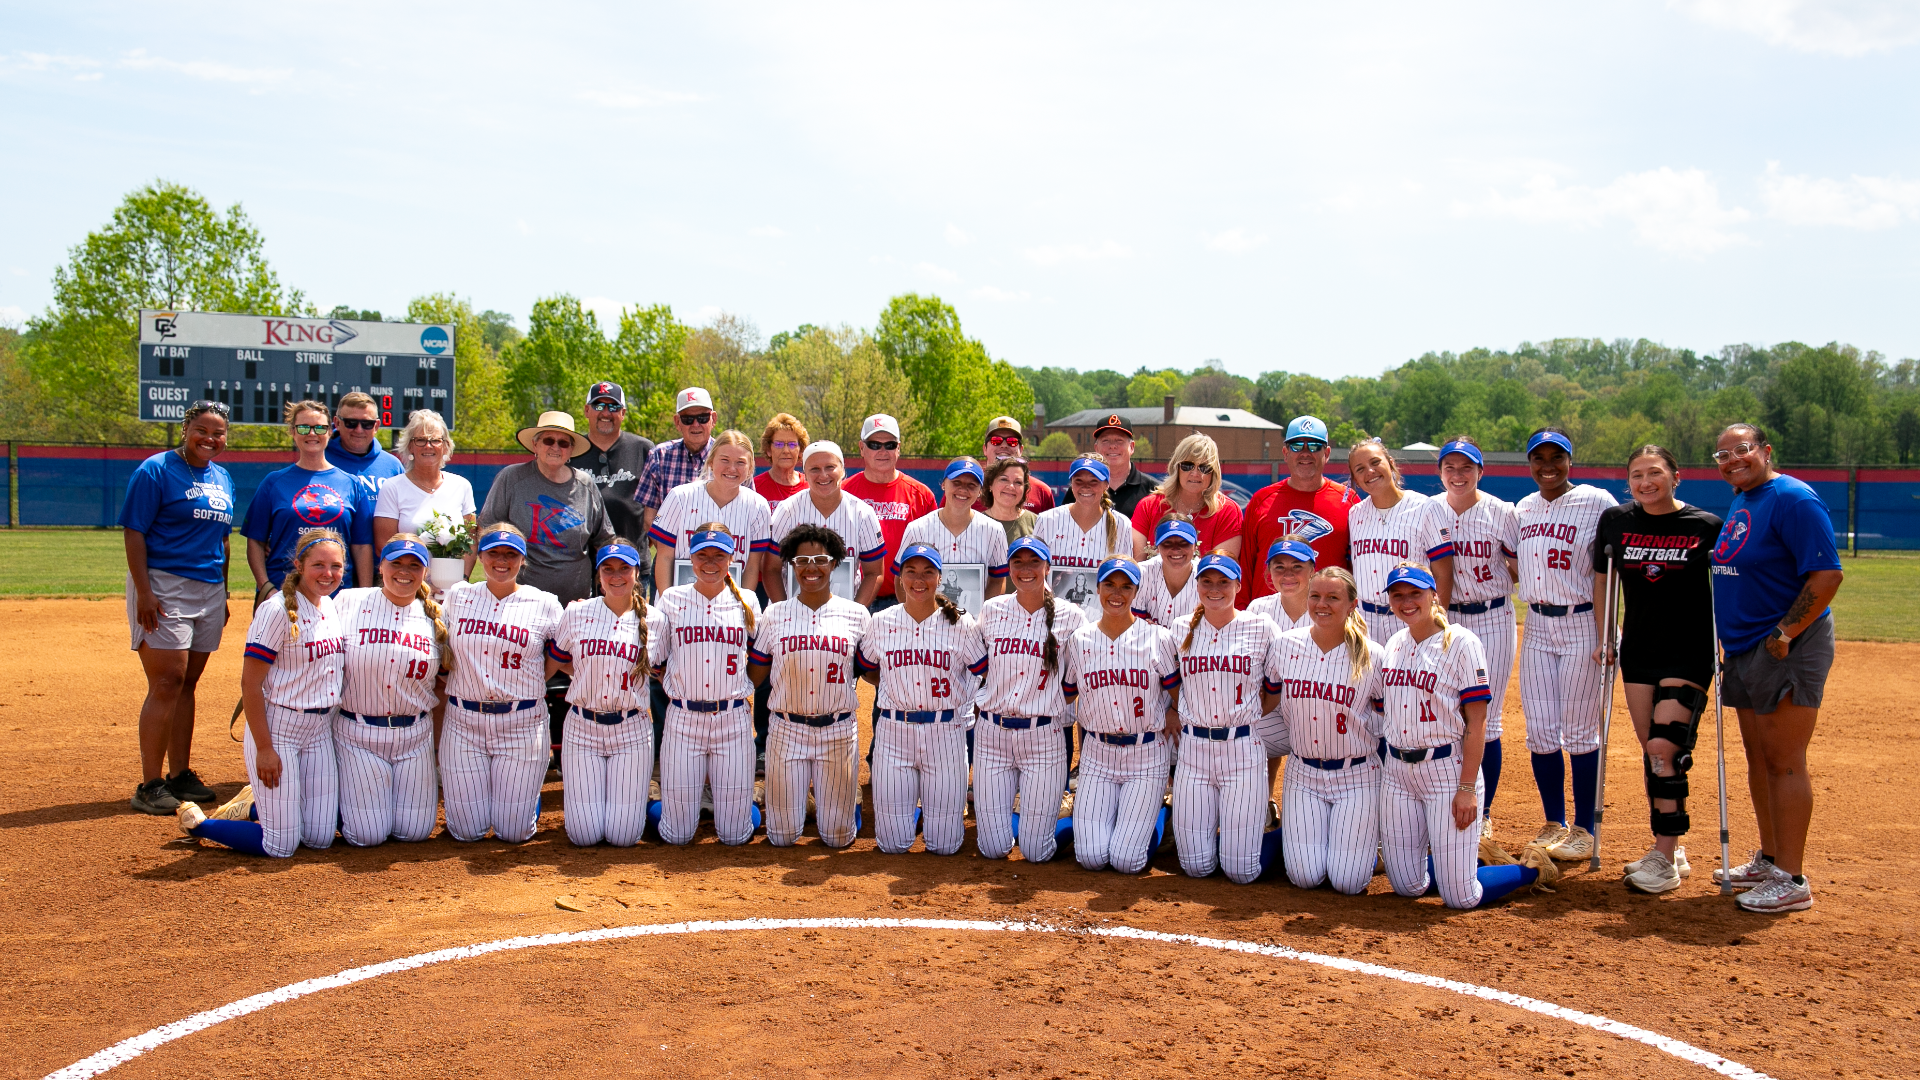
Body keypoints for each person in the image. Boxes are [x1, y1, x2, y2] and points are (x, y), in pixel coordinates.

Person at [1708, 423, 1843, 914]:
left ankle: (1792, 878)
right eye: (1723, 455)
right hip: (1746, 647)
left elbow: (1826, 575)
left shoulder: (1793, 499)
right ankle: (1770, 859)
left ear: (1766, 451)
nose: (1732, 460)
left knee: (1784, 761)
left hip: (1785, 646)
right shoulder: (1746, 499)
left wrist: (1785, 634)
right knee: (1759, 758)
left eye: (1742, 450)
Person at [1376, 564, 1558, 908]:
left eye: (1415, 593)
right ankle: (1463, 862)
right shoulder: (1395, 644)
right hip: (1398, 775)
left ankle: (1531, 869)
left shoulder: (1461, 642)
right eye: (1398, 595)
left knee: (1461, 897)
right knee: (1407, 886)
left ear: (1434, 595)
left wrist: (1466, 789)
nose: (1406, 601)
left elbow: (1477, 723)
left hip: (1446, 771)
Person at [1596, 445, 1722, 894]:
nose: (1645, 482)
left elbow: (1727, 587)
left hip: (1687, 652)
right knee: (1652, 751)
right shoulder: (1616, 521)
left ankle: (1664, 858)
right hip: (1639, 652)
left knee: (1663, 747)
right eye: (1637, 475)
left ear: (1675, 477)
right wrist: (1605, 636)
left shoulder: (1705, 526)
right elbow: (1603, 580)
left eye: (1655, 473)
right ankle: (1671, 844)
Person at [176, 529, 347, 857]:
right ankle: (199, 824)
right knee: (281, 845)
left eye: (336, 566)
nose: (328, 573)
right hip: (279, 730)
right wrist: (265, 749)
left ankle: (254, 807)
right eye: (319, 565)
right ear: (299, 565)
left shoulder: (329, 606)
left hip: (318, 733)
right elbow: (251, 684)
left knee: (319, 838)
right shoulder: (276, 610)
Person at [122, 399, 234, 815]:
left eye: (218, 433)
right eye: (201, 429)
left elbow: (223, 540)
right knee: (167, 680)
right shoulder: (155, 470)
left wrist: (224, 592)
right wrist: (144, 591)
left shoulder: (222, 476)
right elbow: (134, 532)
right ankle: (149, 784)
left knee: (188, 682)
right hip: (164, 583)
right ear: (186, 429)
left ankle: (180, 774)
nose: (210, 438)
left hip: (209, 587)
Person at [1514, 427, 1618, 863]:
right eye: (1539, 458)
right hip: (1537, 624)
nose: (1548, 466)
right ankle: (1553, 822)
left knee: (1579, 732)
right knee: (1539, 731)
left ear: (1570, 460)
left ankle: (1584, 829)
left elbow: (1612, 569)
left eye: (1556, 457)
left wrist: (1608, 632)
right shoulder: (1523, 508)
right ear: (1530, 463)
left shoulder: (1597, 501)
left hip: (1581, 623)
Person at [857, 544, 988, 855]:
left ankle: (924, 806)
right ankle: (913, 809)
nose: (919, 579)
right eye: (911, 571)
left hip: (945, 733)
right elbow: (867, 669)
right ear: (900, 577)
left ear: (939, 578)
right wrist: (895, 683)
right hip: (894, 731)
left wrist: (963, 703)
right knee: (891, 845)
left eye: (928, 572)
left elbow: (982, 672)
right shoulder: (882, 622)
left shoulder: (962, 624)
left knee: (945, 845)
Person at [439, 525, 565, 843]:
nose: (502, 560)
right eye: (493, 552)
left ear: (522, 560)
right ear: (480, 557)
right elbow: (440, 651)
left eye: (511, 554)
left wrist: (535, 678)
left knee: (514, 832)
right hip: (464, 721)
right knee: (466, 831)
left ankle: (523, 801)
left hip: (521, 722)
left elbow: (563, 655)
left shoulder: (545, 602)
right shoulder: (458, 596)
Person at [748, 525, 872, 847]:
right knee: (782, 836)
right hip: (786, 730)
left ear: (835, 563)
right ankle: (809, 800)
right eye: (802, 560)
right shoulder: (774, 615)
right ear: (791, 565)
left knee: (837, 838)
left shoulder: (857, 614)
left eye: (820, 560)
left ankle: (843, 805)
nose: (811, 568)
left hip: (837, 730)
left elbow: (872, 673)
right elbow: (755, 676)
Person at [1268, 566, 1384, 894]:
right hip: (1304, 775)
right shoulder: (1285, 645)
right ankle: (1286, 836)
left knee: (1348, 882)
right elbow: (1266, 701)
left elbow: (1388, 719)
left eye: (1333, 597)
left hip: (1356, 776)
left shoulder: (1373, 655)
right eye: (1315, 596)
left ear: (1352, 604)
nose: (1322, 604)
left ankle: (1377, 849)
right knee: (1305, 877)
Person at [1171, 554, 1282, 884]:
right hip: (1194, 750)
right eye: (1207, 581)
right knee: (1196, 867)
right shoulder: (1180, 628)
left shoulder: (1261, 627)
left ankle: (1281, 839)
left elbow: (1273, 690)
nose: (1215, 588)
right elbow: (1172, 686)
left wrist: (1246, 717)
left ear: (1238, 586)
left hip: (1242, 750)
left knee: (1241, 872)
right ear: (1197, 585)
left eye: (1223, 582)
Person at [973, 536, 1085, 862]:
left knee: (1037, 852)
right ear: (1008, 567)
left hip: (1043, 737)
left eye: (1034, 561)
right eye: (1018, 562)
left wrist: (1048, 702)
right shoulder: (992, 610)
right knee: (993, 848)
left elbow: (1076, 678)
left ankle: (1069, 820)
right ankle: (1025, 819)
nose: (1026, 569)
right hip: (993, 736)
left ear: (1047, 567)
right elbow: (978, 667)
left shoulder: (1071, 616)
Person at [332, 535, 450, 847]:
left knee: (415, 832)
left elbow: (447, 682)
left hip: (415, 738)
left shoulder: (437, 617)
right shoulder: (347, 602)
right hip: (358, 735)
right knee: (366, 835)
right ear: (381, 566)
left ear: (425, 572)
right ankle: (320, 807)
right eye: (396, 563)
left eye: (414, 565)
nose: (404, 571)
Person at [1064, 558, 1180, 873]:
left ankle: (1159, 814)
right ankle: (1121, 818)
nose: (1117, 593)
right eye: (1110, 585)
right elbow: (1067, 693)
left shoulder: (1158, 638)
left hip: (1146, 754)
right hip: (1097, 755)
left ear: (1136, 591)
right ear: (1097, 588)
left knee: (1126, 861)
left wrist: (1173, 711)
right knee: (1091, 858)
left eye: (1126, 586)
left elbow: (1179, 691)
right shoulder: (1080, 641)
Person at [547, 540, 665, 848]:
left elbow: (663, 671)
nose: (616, 576)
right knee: (583, 835)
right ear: (598, 575)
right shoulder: (576, 613)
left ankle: (649, 804)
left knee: (623, 836)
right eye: (608, 569)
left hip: (631, 730)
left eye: (624, 568)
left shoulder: (656, 620)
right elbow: (558, 661)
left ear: (636, 573)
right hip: (583, 728)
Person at [653, 526, 763, 846]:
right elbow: (657, 661)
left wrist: (738, 686)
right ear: (690, 558)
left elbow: (761, 658)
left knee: (735, 835)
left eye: (719, 555)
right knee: (677, 835)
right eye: (702, 555)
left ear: (731, 559)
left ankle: (749, 804)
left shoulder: (748, 601)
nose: (710, 562)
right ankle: (654, 801)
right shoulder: (672, 599)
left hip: (732, 719)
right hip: (684, 719)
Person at [1434, 437, 1519, 840]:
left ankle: (1482, 812)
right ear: (1440, 472)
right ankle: (1443, 799)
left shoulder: (1502, 512)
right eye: (1450, 467)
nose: (1458, 474)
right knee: (1446, 713)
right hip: (1445, 619)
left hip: (1492, 617)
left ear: (1480, 471)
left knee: (1487, 717)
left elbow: (1521, 567)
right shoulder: (1431, 508)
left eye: (1466, 467)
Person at [478, 411, 612, 606]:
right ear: (535, 445)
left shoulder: (586, 485)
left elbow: (604, 540)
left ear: (571, 450)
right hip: (519, 603)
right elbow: (487, 529)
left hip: (575, 604)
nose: (555, 447)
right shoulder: (512, 478)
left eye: (563, 443)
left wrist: (606, 582)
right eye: (548, 440)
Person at [244, 400, 375, 596]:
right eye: (304, 428)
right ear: (293, 431)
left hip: (336, 594)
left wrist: (363, 595)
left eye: (320, 428)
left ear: (329, 432)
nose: (312, 433)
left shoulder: (351, 483)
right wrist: (266, 587)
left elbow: (361, 546)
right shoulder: (273, 482)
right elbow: (255, 541)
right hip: (282, 591)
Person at [1236, 415, 1361, 607]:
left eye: (1314, 446)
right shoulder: (1262, 500)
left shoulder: (1348, 501)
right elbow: (1245, 565)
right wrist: (1242, 613)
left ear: (1327, 453)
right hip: (1267, 615)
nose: (1305, 453)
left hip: (1327, 613)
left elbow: (1358, 566)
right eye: (1296, 446)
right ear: (1285, 453)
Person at [1346, 438, 1455, 644]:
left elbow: (1443, 573)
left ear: (1391, 463)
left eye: (1375, 462)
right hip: (1364, 620)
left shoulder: (1426, 508)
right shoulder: (1355, 514)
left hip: (1411, 616)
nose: (1370, 471)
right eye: (1360, 469)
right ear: (1355, 480)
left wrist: (1436, 621)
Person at [648, 429, 773, 594]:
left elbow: (752, 566)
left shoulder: (758, 506)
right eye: (725, 460)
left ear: (750, 468)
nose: (732, 468)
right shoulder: (680, 496)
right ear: (711, 462)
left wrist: (742, 604)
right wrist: (668, 601)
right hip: (680, 597)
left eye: (740, 462)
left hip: (730, 602)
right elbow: (664, 557)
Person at [765, 441, 887, 605]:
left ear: (842, 470)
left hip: (845, 611)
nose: (823, 475)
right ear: (805, 474)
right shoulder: (787, 510)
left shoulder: (862, 513)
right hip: (793, 610)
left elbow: (874, 573)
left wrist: (855, 613)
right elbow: (771, 569)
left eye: (830, 467)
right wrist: (783, 610)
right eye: (814, 469)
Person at [843, 414, 937, 612]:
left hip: (905, 599)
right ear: (861, 448)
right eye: (874, 445)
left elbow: (934, 551)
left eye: (890, 445)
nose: (882, 451)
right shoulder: (843, 492)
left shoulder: (921, 495)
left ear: (899, 448)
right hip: (853, 596)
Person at [1035, 455, 1147, 620]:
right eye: (1079, 481)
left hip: (1102, 621)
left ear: (1106, 484)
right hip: (1053, 618)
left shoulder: (1121, 524)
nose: (1085, 487)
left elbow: (1125, 578)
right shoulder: (1047, 520)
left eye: (1093, 481)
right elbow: (1036, 573)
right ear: (1071, 483)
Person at [372, 409, 476, 581]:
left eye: (435, 440)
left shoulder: (462, 486)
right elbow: (384, 545)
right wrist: (420, 584)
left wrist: (462, 580)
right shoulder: (392, 487)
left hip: (451, 587)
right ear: (410, 446)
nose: (428, 446)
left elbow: (471, 540)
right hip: (407, 585)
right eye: (420, 440)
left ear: (445, 446)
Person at [899, 458, 1011, 609]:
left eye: (971, 485)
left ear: (980, 491)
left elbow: (998, 580)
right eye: (956, 482)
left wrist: (983, 615)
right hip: (928, 618)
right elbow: (900, 578)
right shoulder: (917, 528)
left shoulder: (994, 530)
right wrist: (916, 614)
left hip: (973, 619)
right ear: (943, 484)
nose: (963, 490)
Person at [1129, 434, 1243, 560]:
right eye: (1187, 466)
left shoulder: (1227, 511)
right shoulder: (1149, 506)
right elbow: (1137, 563)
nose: (1195, 473)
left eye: (1204, 468)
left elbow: (1219, 568)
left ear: (1214, 472)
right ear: (1176, 467)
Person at [636, 387, 719, 547]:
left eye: (702, 418)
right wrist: (669, 553)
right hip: (670, 555)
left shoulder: (731, 458)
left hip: (719, 555)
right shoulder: (659, 456)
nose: (696, 424)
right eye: (688, 419)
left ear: (713, 419)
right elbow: (649, 520)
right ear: (677, 422)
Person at [572, 381, 655, 541]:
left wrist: (642, 545)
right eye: (598, 406)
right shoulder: (573, 449)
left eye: (613, 407)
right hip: (585, 555)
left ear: (623, 413)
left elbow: (656, 509)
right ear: (587, 410)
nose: (606, 413)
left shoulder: (644, 449)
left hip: (633, 554)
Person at [325, 391, 405, 504]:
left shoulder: (393, 466)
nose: (359, 430)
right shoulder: (320, 461)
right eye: (351, 422)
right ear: (337, 423)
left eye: (367, 424)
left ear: (376, 426)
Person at [1077, 414, 1157, 517]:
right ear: (1096, 448)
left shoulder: (1153, 490)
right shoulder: (1081, 489)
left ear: (1131, 447)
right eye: (1105, 441)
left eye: (1119, 440)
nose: (1112, 446)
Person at [1133, 519, 1200, 629]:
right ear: (1157, 548)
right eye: (1167, 543)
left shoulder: (1206, 577)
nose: (1176, 550)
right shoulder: (1141, 573)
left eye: (1184, 543)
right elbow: (1133, 625)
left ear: (1195, 547)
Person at [981, 415, 1054, 514]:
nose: (1004, 445)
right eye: (996, 440)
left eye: (1012, 441)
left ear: (1021, 450)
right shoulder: (971, 486)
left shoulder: (1042, 491)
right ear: (985, 449)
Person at [755, 413, 810, 506]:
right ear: (768, 450)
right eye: (779, 444)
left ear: (800, 450)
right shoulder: (755, 488)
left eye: (792, 444)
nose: (786, 451)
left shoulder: (811, 486)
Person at [982, 458, 1039, 543]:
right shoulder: (975, 523)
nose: (1011, 487)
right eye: (1004, 479)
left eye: (1018, 482)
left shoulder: (1037, 524)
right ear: (990, 484)